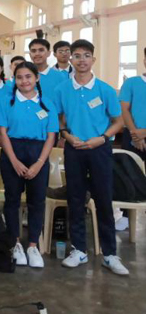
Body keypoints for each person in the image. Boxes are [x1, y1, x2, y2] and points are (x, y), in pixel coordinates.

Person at [55, 40, 128, 275]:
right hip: (74, 150)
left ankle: (109, 254)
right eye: (77, 56)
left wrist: (103, 137)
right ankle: (79, 250)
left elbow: (119, 122)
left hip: (99, 149)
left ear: (93, 60)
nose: (82, 60)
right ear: (71, 60)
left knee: (104, 201)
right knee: (75, 199)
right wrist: (66, 135)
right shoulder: (62, 89)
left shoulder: (105, 89)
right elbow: (57, 121)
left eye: (86, 56)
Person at [0, 62, 58, 268]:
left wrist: (39, 163)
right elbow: (2, 133)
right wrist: (14, 161)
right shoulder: (7, 102)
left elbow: (51, 136)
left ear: (36, 78)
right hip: (13, 152)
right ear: (14, 80)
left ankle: (32, 245)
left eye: (28, 77)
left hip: (39, 153)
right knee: (12, 200)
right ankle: (15, 243)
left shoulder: (47, 103)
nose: (24, 81)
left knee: (36, 201)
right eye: (19, 77)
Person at [119, 47, 146, 159]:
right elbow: (124, 109)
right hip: (131, 135)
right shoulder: (131, 83)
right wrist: (136, 135)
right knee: (131, 173)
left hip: (139, 133)